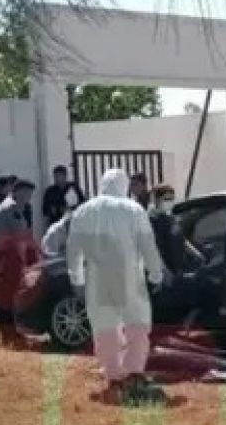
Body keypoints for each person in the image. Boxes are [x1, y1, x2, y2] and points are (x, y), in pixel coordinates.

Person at [67, 169, 166, 404]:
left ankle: (113, 376)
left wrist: (76, 279)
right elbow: (147, 244)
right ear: (124, 185)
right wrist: (156, 273)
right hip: (129, 276)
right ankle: (133, 372)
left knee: (105, 328)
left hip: (97, 279)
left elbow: (73, 250)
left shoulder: (83, 211)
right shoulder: (133, 209)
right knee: (137, 326)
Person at [0, 179, 39, 348]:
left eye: (30, 194)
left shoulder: (15, 207)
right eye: (26, 193)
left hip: (9, 254)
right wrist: (33, 251)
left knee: (9, 295)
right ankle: (7, 336)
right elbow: (21, 234)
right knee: (5, 295)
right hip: (5, 255)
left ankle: (11, 332)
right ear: (17, 191)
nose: (28, 198)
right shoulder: (11, 208)